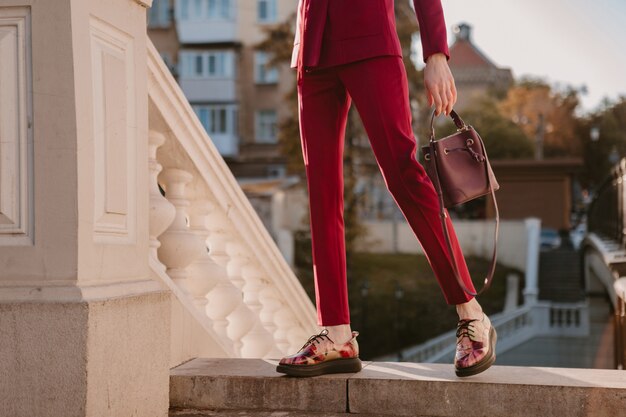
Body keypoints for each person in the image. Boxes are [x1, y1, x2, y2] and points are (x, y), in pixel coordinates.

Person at [275, 0, 497, 378]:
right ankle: (337, 334)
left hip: (370, 39)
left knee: (403, 175)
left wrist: (436, 53)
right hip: (312, 46)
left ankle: (472, 314)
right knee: (321, 192)